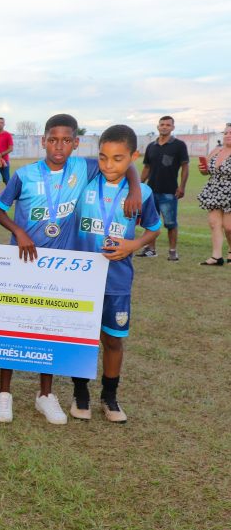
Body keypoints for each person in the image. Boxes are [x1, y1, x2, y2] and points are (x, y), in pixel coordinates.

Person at [0, 114, 141, 425]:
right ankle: (4, 392)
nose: (59, 145)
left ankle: (46, 394)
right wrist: (19, 231)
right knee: (13, 325)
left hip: (62, 268)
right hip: (24, 262)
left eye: (66, 140)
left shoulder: (84, 168)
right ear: (43, 140)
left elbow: (128, 163)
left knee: (50, 328)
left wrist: (136, 188)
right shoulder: (25, 174)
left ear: (75, 143)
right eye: (53, 139)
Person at [71, 125, 161, 422]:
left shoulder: (143, 194)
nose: (109, 165)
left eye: (118, 159)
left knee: (112, 339)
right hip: (81, 277)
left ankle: (110, 397)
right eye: (103, 157)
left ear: (133, 156)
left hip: (117, 279)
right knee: (81, 336)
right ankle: (79, 393)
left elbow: (154, 228)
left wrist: (133, 244)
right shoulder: (87, 178)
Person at [138, 116, 188, 260]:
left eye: (168, 125)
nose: (164, 127)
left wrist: (182, 186)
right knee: (150, 222)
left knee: (170, 223)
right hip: (151, 191)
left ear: (173, 127)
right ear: (158, 127)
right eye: (162, 124)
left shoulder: (179, 145)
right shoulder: (151, 146)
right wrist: (140, 185)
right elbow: (147, 167)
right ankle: (150, 249)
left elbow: (185, 167)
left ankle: (172, 251)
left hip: (169, 191)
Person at [196, 123, 231, 265]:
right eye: (226, 133)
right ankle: (216, 257)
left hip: (229, 192)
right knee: (214, 224)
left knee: (229, 227)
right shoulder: (216, 151)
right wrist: (202, 169)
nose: (228, 135)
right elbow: (206, 172)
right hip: (214, 190)